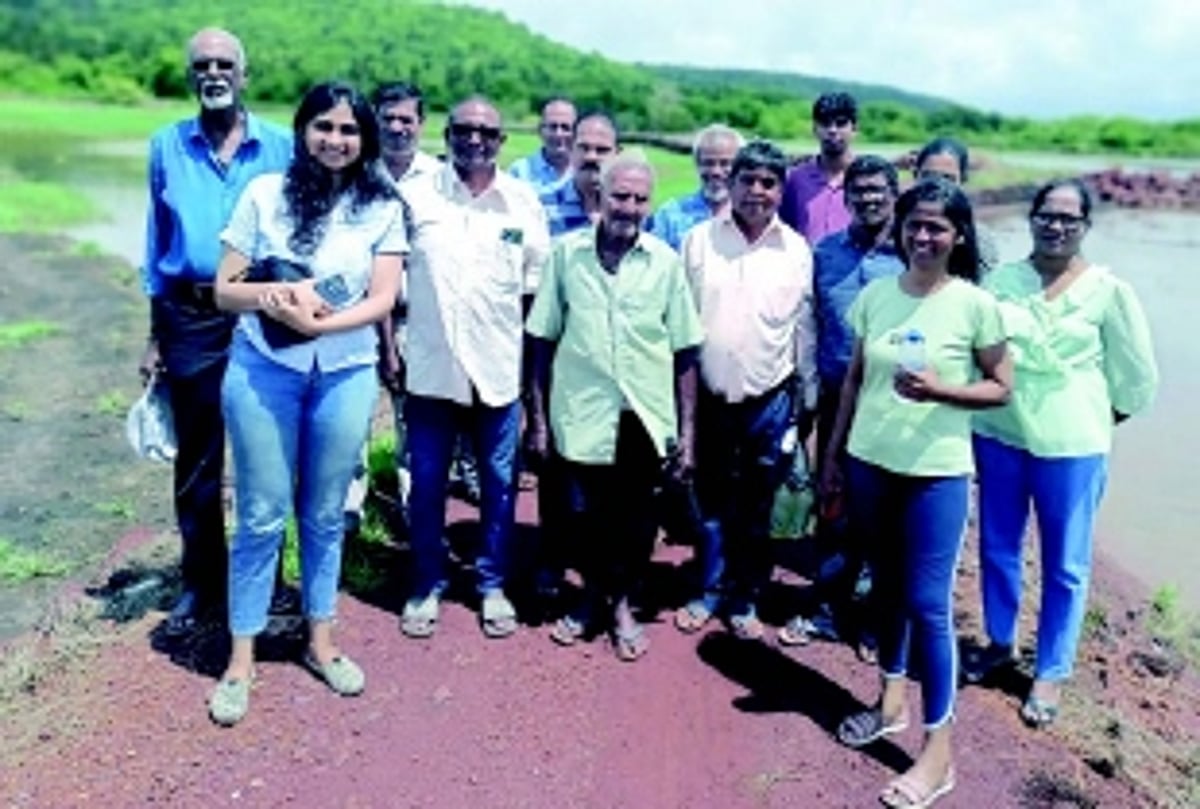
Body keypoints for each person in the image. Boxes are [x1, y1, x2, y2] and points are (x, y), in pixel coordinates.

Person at [208, 80, 407, 726]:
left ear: (365, 139)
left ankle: (320, 641)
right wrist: (274, 297)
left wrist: (319, 324)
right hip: (263, 370)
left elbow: (383, 298)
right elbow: (224, 290)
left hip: (345, 371)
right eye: (324, 126)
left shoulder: (383, 205)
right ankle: (241, 657)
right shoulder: (264, 194)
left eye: (349, 130)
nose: (335, 139)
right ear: (302, 131)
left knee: (324, 514)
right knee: (261, 514)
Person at [826, 178, 1011, 808]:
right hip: (869, 464)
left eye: (937, 226)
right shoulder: (876, 295)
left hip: (936, 473)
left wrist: (941, 391)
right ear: (899, 230)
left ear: (958, 235)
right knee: (886, 591)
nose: (924, 236)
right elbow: (855, 381)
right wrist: (832, 460)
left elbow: (1001, 387)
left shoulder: (974, 305)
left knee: (928, 605)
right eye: (914, 225)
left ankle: (938, 754)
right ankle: (890, 702)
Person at [965, 179, 1158, 728]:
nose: (1056, 226)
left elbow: (1136, 375)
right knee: (998, 546)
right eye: (1047, 215)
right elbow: (979, 352)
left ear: (1086, 227)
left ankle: (1050, 671)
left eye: (1069, 219)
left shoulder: (1108, 291)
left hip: (1073, 446)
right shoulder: (1002, 282)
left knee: (1066, 564)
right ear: (1031, 219)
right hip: (1000, 434)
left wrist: (1096, 417)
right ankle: (999, 642)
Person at [138, 28, 292, 634]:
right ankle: (201, 583)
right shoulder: (166, 145)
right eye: (202, 64)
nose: (213, 73)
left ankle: (267, 580)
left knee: (265, 452)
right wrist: (155, 335)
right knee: (198, 459)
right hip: (191, 317)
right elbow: (157, 243)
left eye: (225, 63)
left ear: (244, 75)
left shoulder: (280, 146)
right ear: (190, 76)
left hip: (259, 312)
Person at [526, 150, 703, 661]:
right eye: (620, 196)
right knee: (583, 516)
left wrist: (687, 435)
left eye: (640, 198)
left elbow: (685, 351)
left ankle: (622, 604)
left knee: (636, 519)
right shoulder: (566, 256)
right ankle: (589, 599)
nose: (629, 207)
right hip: (581, 411)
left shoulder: (664, 262)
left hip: (642, 415)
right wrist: (536, 420)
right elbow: (540, 341)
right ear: (600, 196)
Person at [398, 96, 550, 640]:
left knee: (499, 486)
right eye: (463, 129)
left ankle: (491, 585)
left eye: (487, 132)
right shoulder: (415, 198)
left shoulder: (523, 204)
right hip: (430, 371)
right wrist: (390, 351)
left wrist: (532, 385)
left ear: (501, 141)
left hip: (498, 372)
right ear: (447, 135)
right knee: (427, 485)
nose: (474, 139)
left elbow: (534, 297)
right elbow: (388, 280)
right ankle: (426, 584)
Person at [674, 140, 816, 639]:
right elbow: (679, 326)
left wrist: (803, 408)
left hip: (770, 401)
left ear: (781, 189)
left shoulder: (796, 250)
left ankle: (745, 597)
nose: (757, 191)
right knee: (710, 503)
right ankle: (708, 589)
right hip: (709, 400)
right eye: (747, 180)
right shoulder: (698, 241)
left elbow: (803, 331)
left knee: (759, 507)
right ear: (730, 183)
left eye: (768, 183)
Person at [777, 155, 904, 654]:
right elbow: (809, 325)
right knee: (833, 504)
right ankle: (827, 609)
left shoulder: (911, 255)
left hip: (895, 406)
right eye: (860, 190)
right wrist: (805, 393)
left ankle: (874, 621)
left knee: (887, 515)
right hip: (835, 401)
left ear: (894, 194)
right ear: (845, 197)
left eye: (878, 189)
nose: (869, 198)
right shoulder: (825, 253)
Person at [370, 81, 441, 521]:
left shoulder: (440, 178)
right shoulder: (356, 171)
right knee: (350, 427)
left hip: (417, 321)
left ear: (421, 123)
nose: (397, 128)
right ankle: (348, 525)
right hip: (355, 321)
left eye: (406, 119)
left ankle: (417, 521)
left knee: (415, 425)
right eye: (388, 118)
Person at [647, 124, 744, 250]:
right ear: (697, 164)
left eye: (725, 163)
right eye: (708, 163)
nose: (716, 171)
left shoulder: (752, 215)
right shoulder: (670, 215)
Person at [779, 92, 858, 246]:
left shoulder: (865, 178)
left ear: (854, 128)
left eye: (841, 123)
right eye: (825, 123)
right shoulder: (795, 179)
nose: (832, 130)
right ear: (815, 129)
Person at [913, 137, 1000, 274]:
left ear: (963, 180)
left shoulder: (980, 240)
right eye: (928, 176)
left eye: (948, 179)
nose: (937, 185)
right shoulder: (895, 230)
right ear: (915, 175)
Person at [538, 111, 619, 236]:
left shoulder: (629, 207)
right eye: (584, 148)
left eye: (601, 150)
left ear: (617, 154)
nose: (591, 157)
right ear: (571, 149)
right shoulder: (542, 205)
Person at [509, 96, 577, 193]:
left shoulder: (585, 170)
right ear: (540, 130)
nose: (559, 134)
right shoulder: (520, 171)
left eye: (565, 128)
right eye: (553, 127)